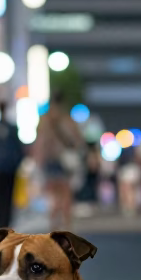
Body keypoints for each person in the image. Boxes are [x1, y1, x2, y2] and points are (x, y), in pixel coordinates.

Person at [35, 90, 84, 228]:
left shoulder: (44, 119)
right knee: (66, 194)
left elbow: (40, 142)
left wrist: (38, 160)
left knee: (53, 195)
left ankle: (54, 226)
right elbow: (78, 140)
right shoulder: (67, 118)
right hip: (65, 161)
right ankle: (67, 226)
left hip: (49, 160)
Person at [0, 101, 25, 227]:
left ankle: (2, 223)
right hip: (7, 169)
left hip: (1, 168)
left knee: (1, 197)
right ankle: (5, 222)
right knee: (7, 197)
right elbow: (19, 149)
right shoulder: (11, 129)